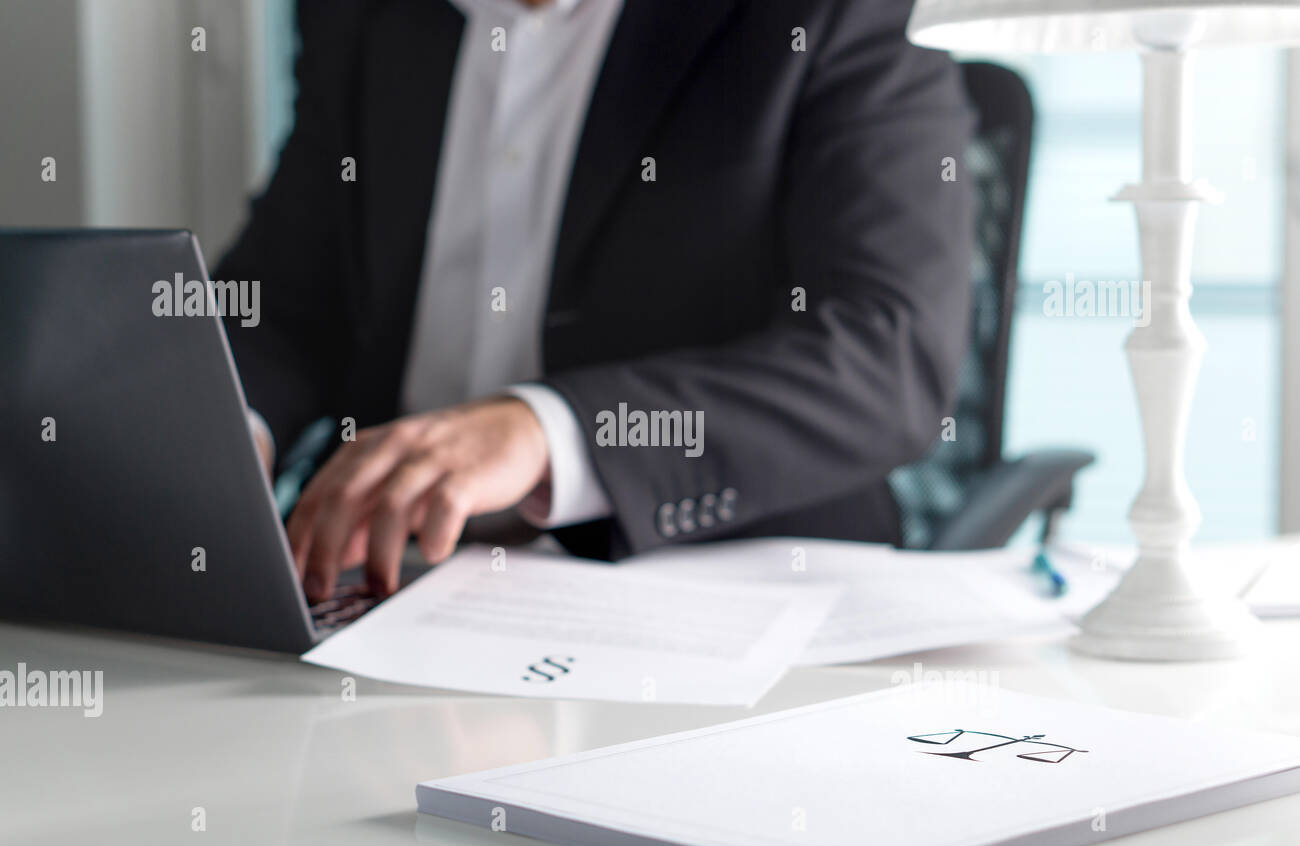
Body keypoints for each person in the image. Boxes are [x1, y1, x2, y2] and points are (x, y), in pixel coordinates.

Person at [216, 0, 974, 603]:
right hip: (383, 578)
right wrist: (223, 427)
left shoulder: (837, 12)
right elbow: (285, 300)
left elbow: (889, 354)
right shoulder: (361, 15)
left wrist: (548, 429)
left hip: (709, 594)